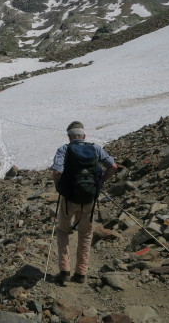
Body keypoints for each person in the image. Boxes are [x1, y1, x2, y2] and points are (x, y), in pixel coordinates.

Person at [51, 121, 117, 284]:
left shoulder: (64, 149)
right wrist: (100, 183)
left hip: (69, 199)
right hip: (89, 199)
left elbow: (56, 171)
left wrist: (59, 187)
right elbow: (113, 166)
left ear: (69, 136)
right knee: (86, 234)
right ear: (84, 135)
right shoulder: (95, 148)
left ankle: (64, 270)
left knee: (62, 231)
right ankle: (81, 273)